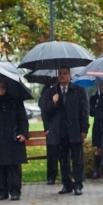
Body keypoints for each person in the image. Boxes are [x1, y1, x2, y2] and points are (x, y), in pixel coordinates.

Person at [39, 66, 90, 195]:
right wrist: (53, 102)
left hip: (75, 130)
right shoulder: (51, 92)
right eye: (60, 74)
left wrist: (84, 129)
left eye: (65, 73)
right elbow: (44, 110)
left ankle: (78, 184)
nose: (62, 76)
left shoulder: (79, 91)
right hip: (59, 131)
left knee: (77, 159)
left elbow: (85, 111)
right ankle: (66, 184)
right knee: (63, 160)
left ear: (70, 75)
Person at [0, 78, 29, 200]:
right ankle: (2, 191)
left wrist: (23, 133)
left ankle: (15, 191)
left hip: (12, 136)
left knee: (13, 166)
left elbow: (22, 118)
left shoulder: (15, 100)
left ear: (3, 89)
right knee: (0, 166)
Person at [40, 77, 58, 185]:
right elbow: (44, 110)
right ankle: (51, 176)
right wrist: (46, 128)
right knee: (52, 153)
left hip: (63, 128)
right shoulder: (46, 92)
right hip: (51, 127)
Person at [89, 80, 103, 179]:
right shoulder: (93, 98)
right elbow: (91, 112)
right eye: (101, 85)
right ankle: (96, 169)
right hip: (98, 125)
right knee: (99, 148)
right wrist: (97, 106)